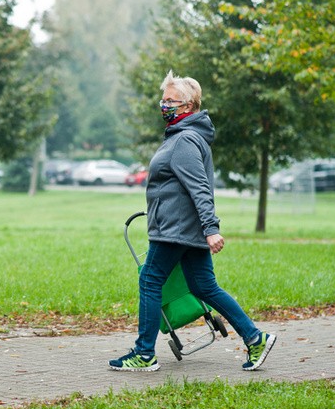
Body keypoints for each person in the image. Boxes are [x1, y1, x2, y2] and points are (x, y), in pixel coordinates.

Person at [109, 70, 276, 372]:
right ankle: (255, 338)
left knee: (150, 280)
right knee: (204, 286)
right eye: (163, 99)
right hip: (184, 228)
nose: (164, 105)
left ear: (187, 106)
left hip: (176, 230)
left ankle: (144, 353)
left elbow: (200, 187)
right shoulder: (186, 136)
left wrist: (211, 228)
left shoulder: (185, 139)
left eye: (170, 100)